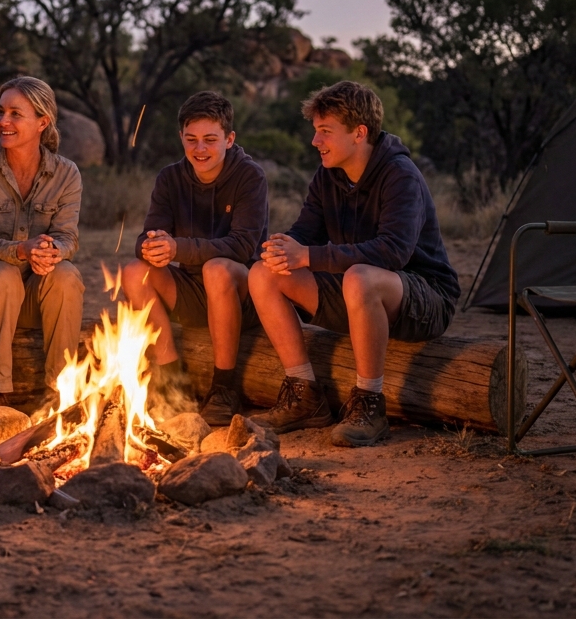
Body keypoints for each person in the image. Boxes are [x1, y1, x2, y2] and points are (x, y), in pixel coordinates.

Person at [248, 80, 460, 447]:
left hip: (424, 297)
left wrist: (308, 256)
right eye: (316, 132)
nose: (316, 142)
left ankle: (369, 404)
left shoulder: (400, 175)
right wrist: (280, 248)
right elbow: (304, 235)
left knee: (360, 277)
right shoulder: (327, 176)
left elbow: (393, 253)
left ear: (359, 133)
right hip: (355, 293)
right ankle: (304, 395)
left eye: (325, 132)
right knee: (264, 273)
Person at [122, 91, 269, 426]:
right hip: (192, 291)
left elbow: (243, 246)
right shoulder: (170, 178)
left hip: (242, 292)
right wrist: (152, 246)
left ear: (229, 139)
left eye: (209, 140)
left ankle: (224, 387)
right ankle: (171, 378)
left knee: (217, 269)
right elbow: (148, 235)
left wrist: (179, 248)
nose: (199, 149)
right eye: (191, 140)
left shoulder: (250, 176)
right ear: (181, 138)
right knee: (134, 272)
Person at [0, 77, 84, 410]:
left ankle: (62, 394)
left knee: (67, 275)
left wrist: (50, 252)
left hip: (36, 297)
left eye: (16, 114)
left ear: (43, 122)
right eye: (1, 112)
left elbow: (68, 237)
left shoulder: (66, 174)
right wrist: (19, 250)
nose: (3, 121)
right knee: (2, 274)